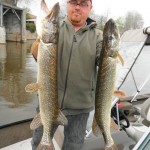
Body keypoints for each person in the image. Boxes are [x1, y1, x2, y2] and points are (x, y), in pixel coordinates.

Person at [31, 0, 103, 149]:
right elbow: (36, 55)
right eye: (73, 2)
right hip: (49, 102)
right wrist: (40, 37)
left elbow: (103, 63)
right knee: (38, 143)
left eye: (83, 3)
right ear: (67, 5)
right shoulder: (56, 28)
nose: (77, 7)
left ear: (90, 8)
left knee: (73, 147)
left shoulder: (98, 36)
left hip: (80, 107)